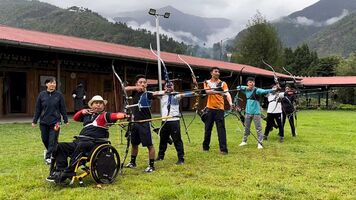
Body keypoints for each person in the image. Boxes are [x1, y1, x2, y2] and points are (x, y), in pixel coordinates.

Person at [46, 95, 128, 182]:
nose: (98, 105)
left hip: (94, 143)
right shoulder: (87, 115)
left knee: (83, 145)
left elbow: (115, 115)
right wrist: (82, 112)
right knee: (61, 146)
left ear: (103, 106)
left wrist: (124, 115)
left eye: (101, 103)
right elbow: (75, 118)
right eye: (96, 103)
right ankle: (60, 170)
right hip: (80, 141)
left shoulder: (105, 115)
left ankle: (69, 172)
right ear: (91, 105)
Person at [124, 74, 159, 173]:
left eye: (144, 82)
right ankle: (132, 162)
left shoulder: (148, 94)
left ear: (147, 84)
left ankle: (151, 166)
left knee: (149, 145)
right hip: (135, 122)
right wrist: (136, 87)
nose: (142, 84)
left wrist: (165, 92)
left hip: (144, 123)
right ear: (136, 84)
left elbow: (157, 93)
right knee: (134, 144)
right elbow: (125, 89)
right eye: (140, 82)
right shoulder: (134, 93)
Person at [156, 82, 196, 165]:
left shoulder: (176, 95)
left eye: (171, 85)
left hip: (174, 120)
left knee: (177, 140)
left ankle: (181, 159)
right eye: (167, 85)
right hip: (164, 121)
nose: (169, 87)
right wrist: (165, 91)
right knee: (163, 139)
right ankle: (160, 156)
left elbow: (186, 94)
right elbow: (154, 94)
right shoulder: (162, 95)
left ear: (174, 87)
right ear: (164, 87)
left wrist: (194, 91)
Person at [32, 77, 68, 165]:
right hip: (44, 121)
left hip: (55, 121)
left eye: (54, 83)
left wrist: (65, 119)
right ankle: (51, 151)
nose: (53, 84)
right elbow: (38, 109)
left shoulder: (59, 95)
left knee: (52, 139)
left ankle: (48, 157)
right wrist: (35, 120)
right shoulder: (42, 95)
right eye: (51, 83)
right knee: (45, 139)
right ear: (46, 84)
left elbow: (63, 108)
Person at [238, 77, 274, 149]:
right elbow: (238, 87)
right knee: (246, 127)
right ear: (247, 83)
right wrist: (246, 88)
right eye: (250, 82)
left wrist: (273, 90)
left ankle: (260, 143)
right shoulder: (246, 90)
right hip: (248, 112)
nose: (252, 83)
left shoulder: (257, 90)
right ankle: (244, 141)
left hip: (256, 113)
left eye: (253, 82)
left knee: (258, 128)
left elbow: (264, 91)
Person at [202, 67, 232, 154]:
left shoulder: (223, 83)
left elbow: (227, 94)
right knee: (208, 129)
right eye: (215, 71)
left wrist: (230, 103)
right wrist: (219, 92)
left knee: (221, 130)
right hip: (209, 109)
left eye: (218, 72)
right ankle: (205, 147)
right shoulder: (206, 82)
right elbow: (208, 92)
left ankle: (223, 150)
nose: (218, 73)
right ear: (211, 73)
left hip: (220, 109)